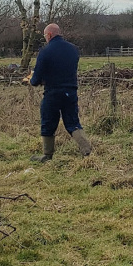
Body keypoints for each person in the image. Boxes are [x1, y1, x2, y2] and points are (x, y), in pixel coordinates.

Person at [29, 23, 91, 162]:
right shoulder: (74, 49)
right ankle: (86, 150)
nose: (45, 38)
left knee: (48, 122)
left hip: (52, 93)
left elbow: (36, 79)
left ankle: (47, 155)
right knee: (73, 122)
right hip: (70, 91)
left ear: (49, 35)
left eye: (45, 36)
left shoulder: (45, 51)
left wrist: (33, 80)